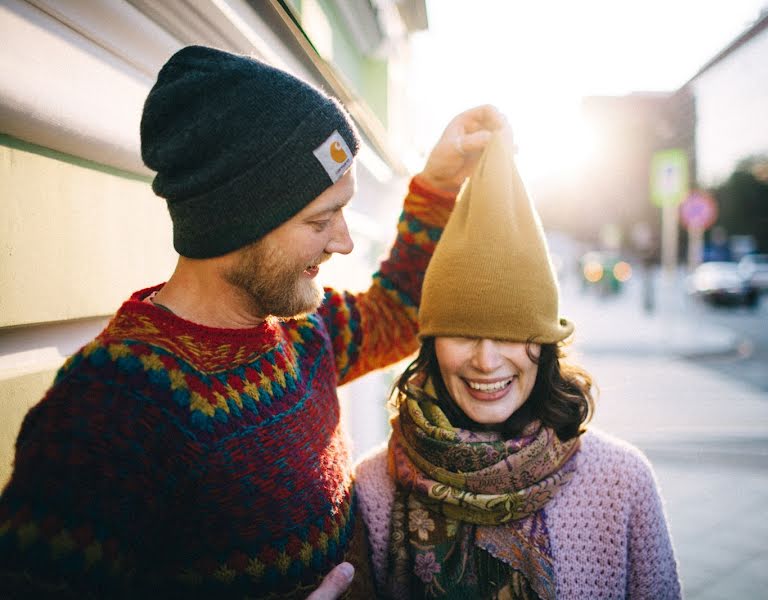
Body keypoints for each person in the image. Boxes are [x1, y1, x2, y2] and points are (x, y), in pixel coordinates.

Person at [0, 45, 505, 598]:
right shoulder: (109, 407)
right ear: (238, 221)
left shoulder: (303, 333)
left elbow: (400, 312)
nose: (343, 240)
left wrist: (436, 183)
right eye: (321, 220)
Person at [354, 133, 682, 599]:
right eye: (464, 332)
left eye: (511, 333)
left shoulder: (621, 482)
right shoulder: (373, 486)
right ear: (429, 344)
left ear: (546, 346)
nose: (487, 361)